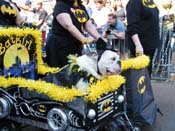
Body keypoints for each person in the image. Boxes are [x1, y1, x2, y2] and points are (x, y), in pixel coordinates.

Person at [45, 0, 106, 68]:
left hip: (75, 45)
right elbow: (68, 25)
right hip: (60, 46)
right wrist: (84, 39)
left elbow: (89, 26)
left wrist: (99, 38)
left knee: (76, 72)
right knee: (61, 74)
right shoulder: (61, 5)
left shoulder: (80, 6)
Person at [126, 0, 161, 77]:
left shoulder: (149, 1)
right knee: (139, 77)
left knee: (147, 74)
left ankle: (147, 89)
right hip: (141, 44)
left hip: (151, 45)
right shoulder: (134, 2)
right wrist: (138, 45)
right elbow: (132, 26)